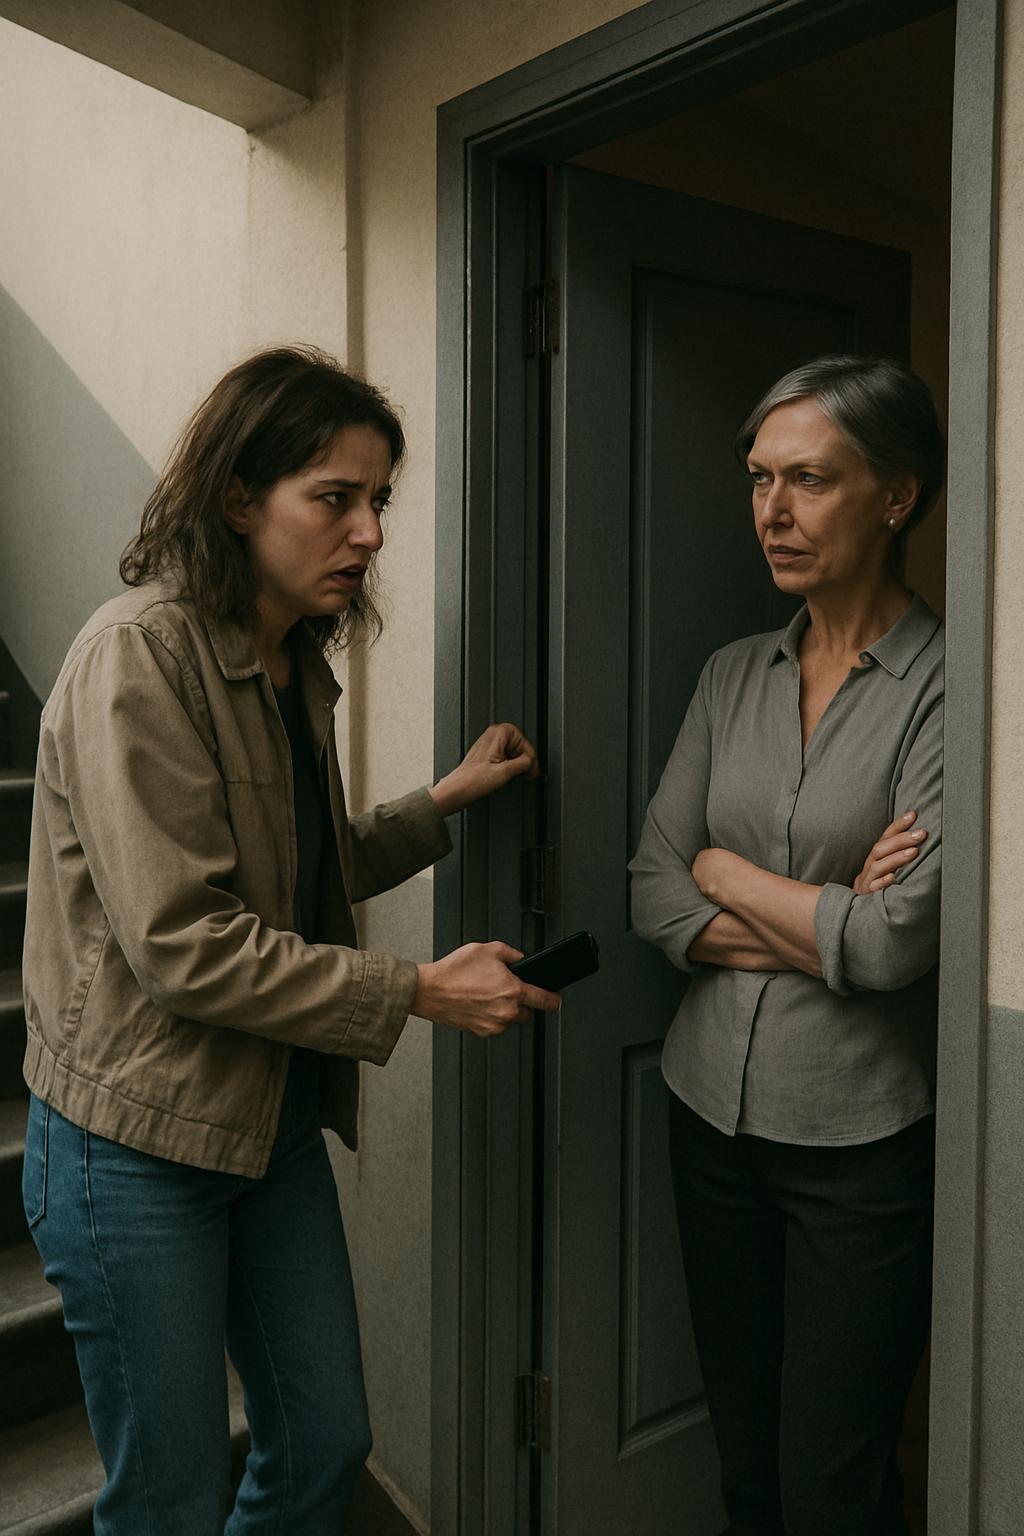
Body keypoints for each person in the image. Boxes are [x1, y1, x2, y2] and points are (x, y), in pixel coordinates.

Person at [20, 346, 559, 1536]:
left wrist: (442, 801)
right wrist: (417, 988)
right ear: (236, 497)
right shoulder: (138, 658)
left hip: (265, 1125)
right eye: (335, 497)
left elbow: (293, 870)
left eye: (379, 500)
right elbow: (186, 940)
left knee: (323, 1445)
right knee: (167, 1499)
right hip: (132, 1144)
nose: (369, 532)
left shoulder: (285, 662)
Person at [629, 355, 945, 1536]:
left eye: (809, 479)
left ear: (895, 496)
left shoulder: (950, 688)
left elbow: (898, 939)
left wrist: (727, 873)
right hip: (707, 1116)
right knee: (749, 1467)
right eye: (760, 479)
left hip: (861, 1145)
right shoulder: (731, 675)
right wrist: (819, 918)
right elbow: (651, 891)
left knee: (833, 1486)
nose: (772, 510)